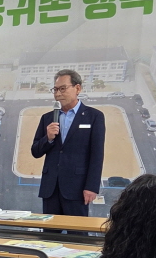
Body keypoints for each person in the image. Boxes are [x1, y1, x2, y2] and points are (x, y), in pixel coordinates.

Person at [30, 69, 105, 217]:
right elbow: (35, 151)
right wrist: (48, 138)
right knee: (50, 229)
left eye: (63, 89)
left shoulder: (94, 116)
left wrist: (91, 186)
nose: (58, 94)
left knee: (76, 230)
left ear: (77, 88)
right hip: (50, 188)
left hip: (77, 188)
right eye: (55, 89)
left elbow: (97, 155)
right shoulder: (48, 118)